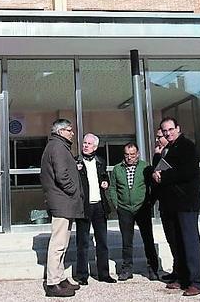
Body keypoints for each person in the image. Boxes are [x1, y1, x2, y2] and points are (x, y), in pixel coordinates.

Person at [152, 117, 200, 297]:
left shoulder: (187, 146)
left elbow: (187, 172)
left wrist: (163, 177)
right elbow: (161, 168)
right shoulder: (169, 148)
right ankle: (182, 277)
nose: (168, 133)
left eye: (170, 129)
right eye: (164, 131)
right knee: (177, 243)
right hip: (171, 205)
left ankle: (196, 282)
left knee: (189, 243)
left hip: (186, 204)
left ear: (178, 128)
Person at [40, 119, 84, 297]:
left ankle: (59, 277)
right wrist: (73, 190)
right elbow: (62, 175)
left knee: (63, 242)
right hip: (62, 201)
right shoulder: (57, 147)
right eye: (69, 130)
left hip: (64, 202)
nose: (72, 133)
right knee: (58, 243)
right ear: (59, 132)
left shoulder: (59, 146)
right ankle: (52, 283)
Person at [108, 142, 160, 281]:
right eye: (127, 155)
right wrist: (117, 205)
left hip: (142, 208)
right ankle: (126, 269)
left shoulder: (145, 167)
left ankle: (153, 269)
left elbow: (153, 186)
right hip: (124, 209)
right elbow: (112, 188)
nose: (129, 157)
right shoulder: (117, 169)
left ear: (137, 154)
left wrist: (150, 203)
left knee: (148, 239)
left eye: (132, 154)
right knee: (126, 241)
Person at [73, 133, 117, 285]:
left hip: (99, 205)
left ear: (95, 147)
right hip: (84, 206)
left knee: (102, 242)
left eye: (89, 143)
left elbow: (104, 177)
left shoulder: (100, 161)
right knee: (82, 243)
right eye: (84, 142)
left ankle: (104, 274)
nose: (85, 145)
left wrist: (105, 182)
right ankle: (82, 275)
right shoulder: (75, 161)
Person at [147, 129, 180, 283]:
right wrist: (156, 155)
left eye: (160, 137)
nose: (158, 139)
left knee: (177, 240)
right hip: (165, 205)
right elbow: (156, 174)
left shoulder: (175, 153)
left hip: (175, 204)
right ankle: (176, 270)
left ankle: (180, 272)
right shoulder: (163, 153)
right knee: (171, 240)